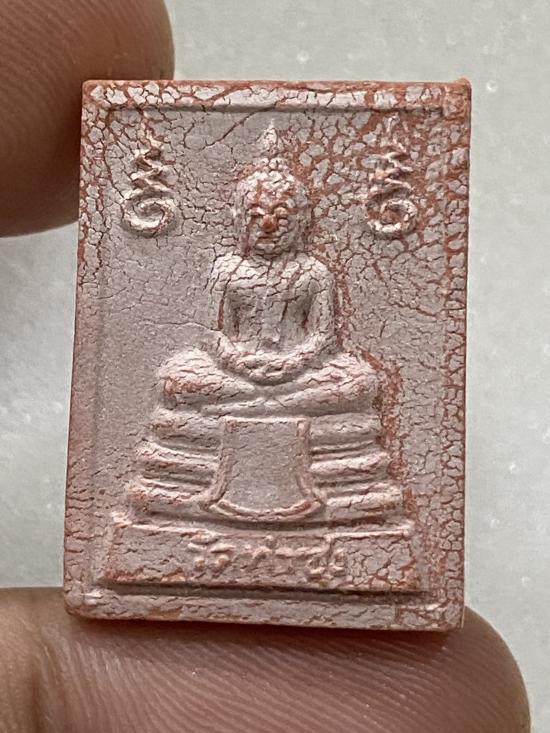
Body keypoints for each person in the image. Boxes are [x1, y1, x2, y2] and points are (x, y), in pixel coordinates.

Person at [0, 1, 530, 731]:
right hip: (236, 372)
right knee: (179, 374)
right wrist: (247, 363)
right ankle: (190, 508)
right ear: (240, 220)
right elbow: (215, 337)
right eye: (258, 216)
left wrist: (288, 366)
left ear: (302, 220)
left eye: (281, 216)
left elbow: (326, 339)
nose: (269, 226)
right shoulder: (226, 269)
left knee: (359, 379)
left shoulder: (313, 271)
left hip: (301, 375)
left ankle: (340, 512)